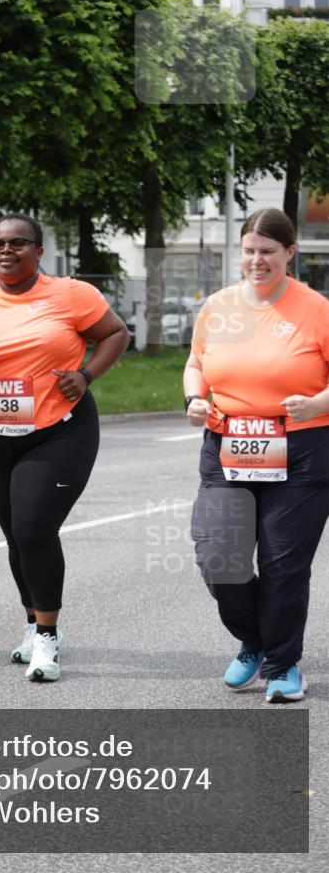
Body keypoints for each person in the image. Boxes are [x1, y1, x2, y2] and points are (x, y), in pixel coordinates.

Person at [0, 213, 129, 682]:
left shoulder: (72, 294)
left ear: (39, 251)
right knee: (16, 536)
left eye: (18, 243)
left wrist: (85, 375)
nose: (6, 251)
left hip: (59, 428)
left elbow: (116, 334)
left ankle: (47, 636)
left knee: (35, 527)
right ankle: (31, 622)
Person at [184, 209, 329, 703]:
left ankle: (284, 664)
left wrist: (316, 404)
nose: (256, 260)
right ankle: (255, 640)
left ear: (290, 253)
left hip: (303, 451)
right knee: (218, 557)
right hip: (228, 446)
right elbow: (196, 362)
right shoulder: (218, 306)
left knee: (284, 564)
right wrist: (194, 398)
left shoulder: (317, 309)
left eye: (268, 251)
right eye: (249, 250)